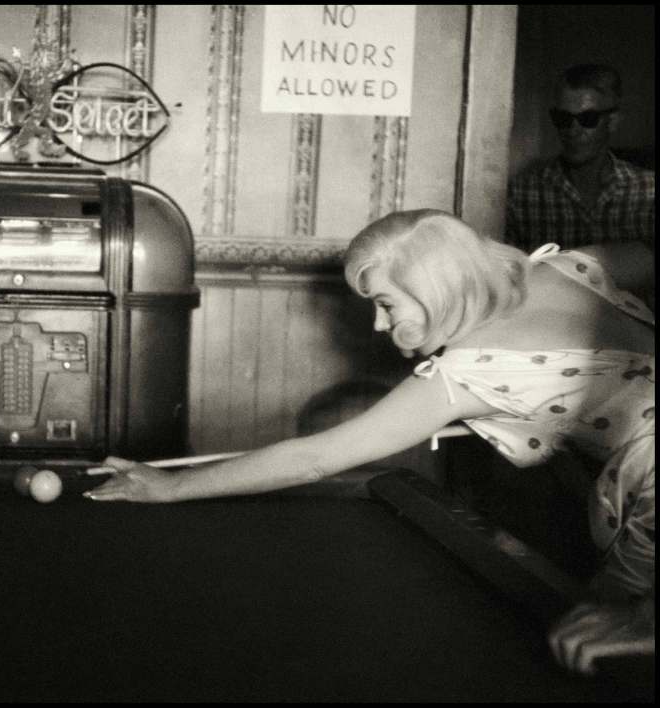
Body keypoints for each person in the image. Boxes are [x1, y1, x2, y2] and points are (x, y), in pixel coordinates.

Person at [86, 209, 655, 676]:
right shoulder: (568, 268)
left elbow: (314, 458)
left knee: (598, 662)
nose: (380, 327)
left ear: (435, 287)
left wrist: (169, 486)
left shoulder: (468, 372)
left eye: (386, 304)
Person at [505, 64, 655, 255]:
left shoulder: (649, 192)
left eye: (588, 118)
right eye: (563, 118)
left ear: (613, 121)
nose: (573, 131)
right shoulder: (521, 195)